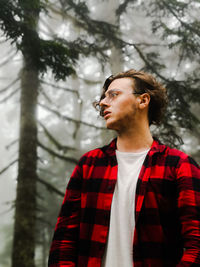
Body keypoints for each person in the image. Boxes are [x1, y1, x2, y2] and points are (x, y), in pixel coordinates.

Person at [48, 69, 200, 267]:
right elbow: (63, 243)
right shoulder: (89, 165)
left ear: (143, 101)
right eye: (103, 98)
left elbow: (196, 246)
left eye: (114, 95)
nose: (103, 103)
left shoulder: (179, 166)